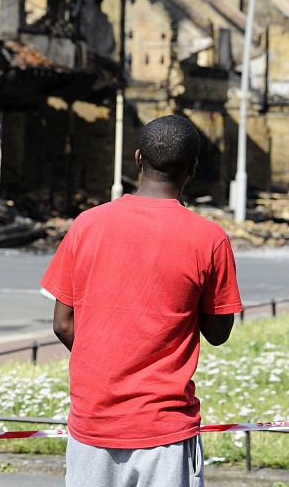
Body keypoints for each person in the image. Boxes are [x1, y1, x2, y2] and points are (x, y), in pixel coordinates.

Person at [41, 114, 242, 487]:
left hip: (93, 424)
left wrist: (107, 361)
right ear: (193, 170)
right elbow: (218, 332)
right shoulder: (210, 239)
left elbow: (62, 323)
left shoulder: (87, 225)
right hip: (166, 430)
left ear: (137, 159)